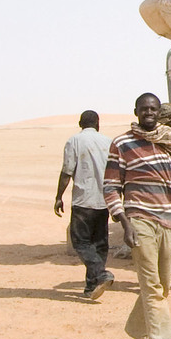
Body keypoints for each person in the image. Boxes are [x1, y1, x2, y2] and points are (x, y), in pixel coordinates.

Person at [102, 93, 171, 339]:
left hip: (170, 222)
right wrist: (124, 223)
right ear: (136, 112)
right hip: (140, 220)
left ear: (159, 113)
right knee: (153, 286)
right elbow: (110, 187)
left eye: (153, 109)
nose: (149, 113)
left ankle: (136, 328)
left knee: (162, 285)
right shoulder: (122, 144)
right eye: (144, 109)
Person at [52, 110, 114, 299]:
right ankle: (91, 287)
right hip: (104, 200)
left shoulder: (74, 141)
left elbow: (67, 171)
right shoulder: (108, 142)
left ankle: (101, 274)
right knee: (100, 244)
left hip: (83, 200)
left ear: (80, 123)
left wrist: (58, 196)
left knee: (80, 241)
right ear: (98, 124)